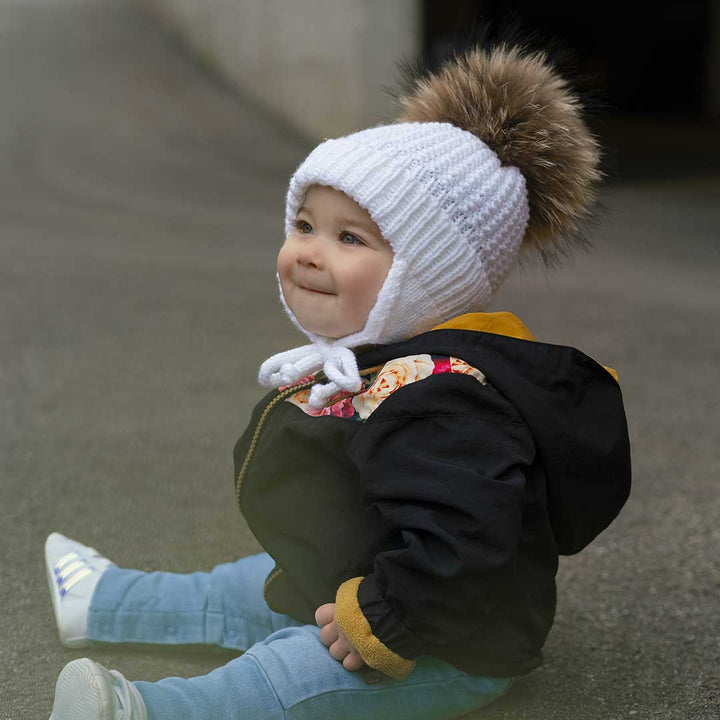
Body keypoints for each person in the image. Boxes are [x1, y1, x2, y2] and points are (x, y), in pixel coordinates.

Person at [45, 39, 631, 720]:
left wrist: (384, 622)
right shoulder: (388, 359)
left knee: (290, 671)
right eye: (304, 224)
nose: (310, 253)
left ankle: (147, 710)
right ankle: (109, 600)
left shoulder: (446, 399)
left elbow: (465, 543)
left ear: (430, 277)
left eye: (350, 238)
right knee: (250, 585)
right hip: (375, 577)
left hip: (444, 639)